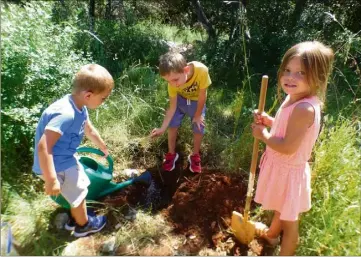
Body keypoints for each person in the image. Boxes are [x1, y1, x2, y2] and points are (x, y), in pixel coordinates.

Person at [251, 41, 334, 255]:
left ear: (318, 77)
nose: (290, 77)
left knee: (290, 222)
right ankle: (270, 236)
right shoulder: (294, 97)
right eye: (287, 70)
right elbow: (286, 128)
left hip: (289, 170)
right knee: (281, 207)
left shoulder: (304, 108)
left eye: (300, 73)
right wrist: (270, 121)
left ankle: (285, 251)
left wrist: (263, 135)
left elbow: (287, 147)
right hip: (283, 168)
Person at [32, 64, 114, 237]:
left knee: (78, 186)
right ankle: (84, 225)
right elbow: (44, 146)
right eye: (103, 98)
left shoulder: (79, 106)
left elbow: (88, 129)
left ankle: (75, 216)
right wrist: (51, 179)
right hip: (56, 165)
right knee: (79, 192)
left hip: (63, 158)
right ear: (88, 95)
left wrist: (102, 145)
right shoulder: (66, 114)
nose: (103, 102)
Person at [150, 51, 211, 173]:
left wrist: (198, 115)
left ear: (186, 70)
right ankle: (171, 154)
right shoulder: (172, 84)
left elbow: (202, 96)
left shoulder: (201, 71)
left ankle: (195, 156)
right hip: (180, 100)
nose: (173, 84)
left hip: (196, 101)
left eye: (175, 80)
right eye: (168, 81)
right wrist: (162, 128)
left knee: (199, 126)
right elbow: (172, 108)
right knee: (172, 125)